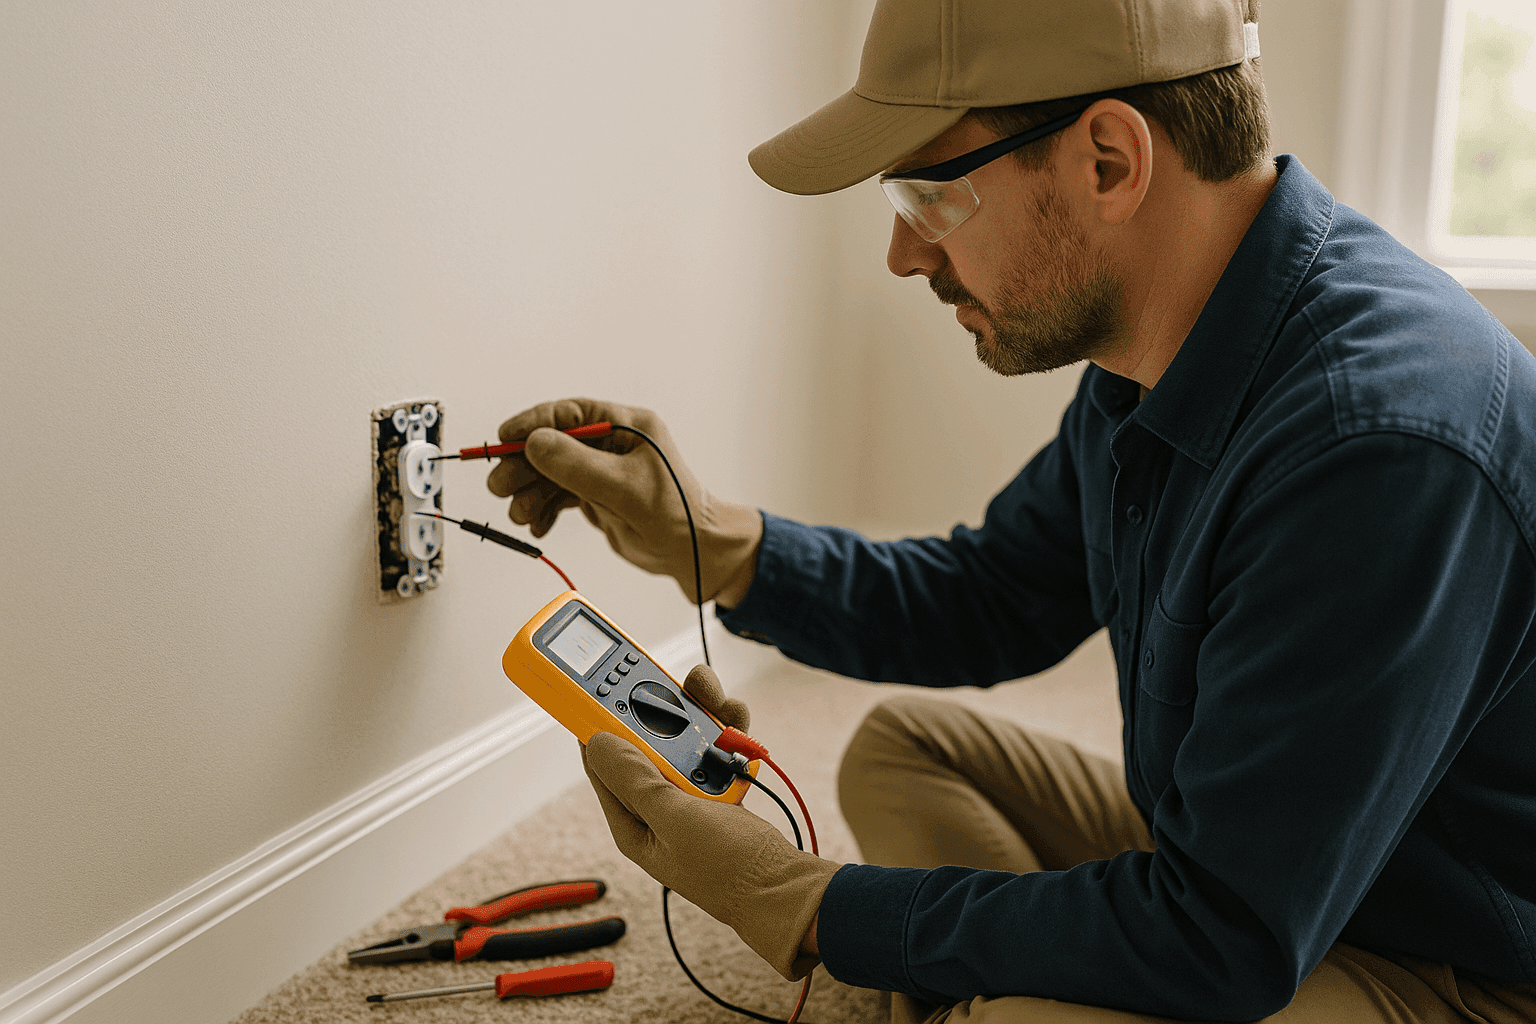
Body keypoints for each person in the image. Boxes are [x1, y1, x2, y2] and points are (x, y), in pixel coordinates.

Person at [487, 0, 1536, 1020]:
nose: (904, 256)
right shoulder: (1169, 342)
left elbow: (1227, 936)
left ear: (1108, 161)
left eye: (927, 198)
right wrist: (707, 536)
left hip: (1449, 950)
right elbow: (992, 592)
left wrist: (802, 900)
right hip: (1266, 852)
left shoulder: (1374, 449)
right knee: (900, 748)